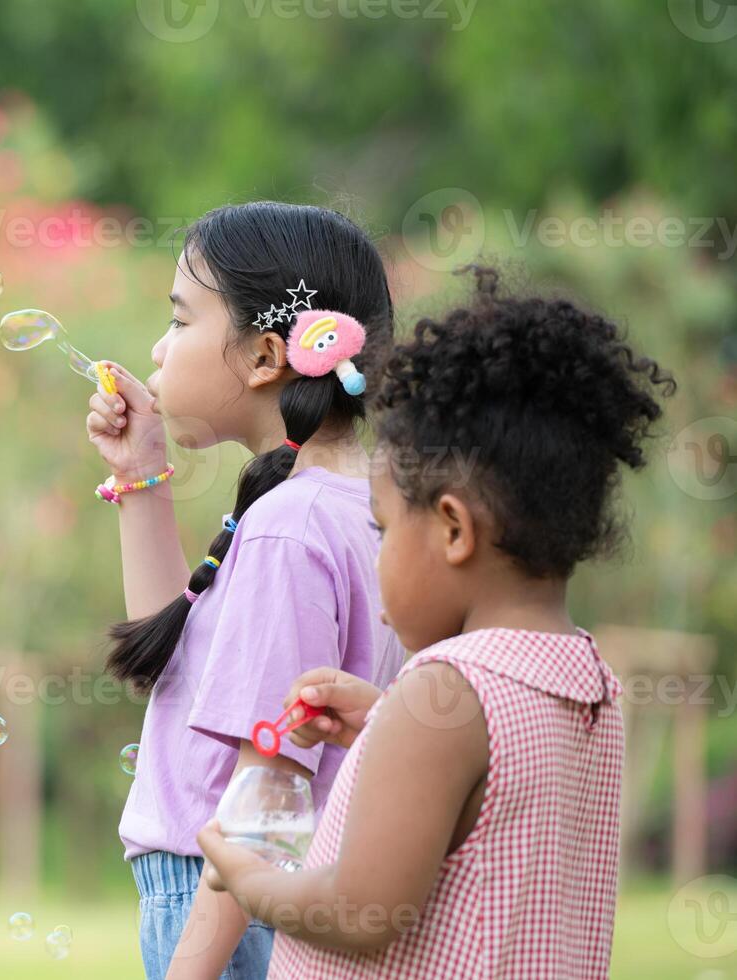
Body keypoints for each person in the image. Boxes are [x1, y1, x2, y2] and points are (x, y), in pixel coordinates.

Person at [197, 268, 675, 978]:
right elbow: (494, 802)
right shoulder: (587, 682)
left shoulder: (443, 695)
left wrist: (249, 876)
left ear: (452, 529)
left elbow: (358, 912)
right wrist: (384, 724)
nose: (379, 552)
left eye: (385, 529)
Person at [86, 201, 405, 979]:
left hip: (223, 906)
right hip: (276, 903)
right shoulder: (362, 504)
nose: (157, 349)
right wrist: (141, 479)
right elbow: (177, 671)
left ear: (266, 356)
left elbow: (265, 793)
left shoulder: (287, 527)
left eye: (179, 320)